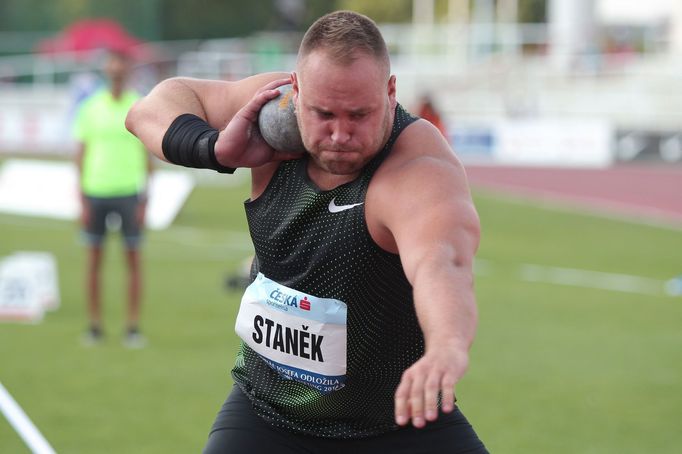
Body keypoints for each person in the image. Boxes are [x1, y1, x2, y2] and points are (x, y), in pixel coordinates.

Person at [126, 11, 487, 453]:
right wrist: (212, 148)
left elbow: (442, 263)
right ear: (296, 91)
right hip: (268, 413)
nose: (339, 134)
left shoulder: (415, 170)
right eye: (323, 113)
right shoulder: (267, 110)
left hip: (399, 422)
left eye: (359, 114)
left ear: (390, 93)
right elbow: (149, 108)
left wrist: (446, 346)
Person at [74, 49, 152, 348]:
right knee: (94, 261)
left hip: (129, 193)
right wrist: (80, 196)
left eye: (121, 68)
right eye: (112, 68)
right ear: (107, 72)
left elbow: (148, 154)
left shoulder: (139, 106)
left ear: (128, 71)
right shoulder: (90, 107)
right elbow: (80, 153)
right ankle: (94, 326)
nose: (116, 73)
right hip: (95, 192)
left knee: (132, 261)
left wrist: (146, 197)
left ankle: (132, 327)